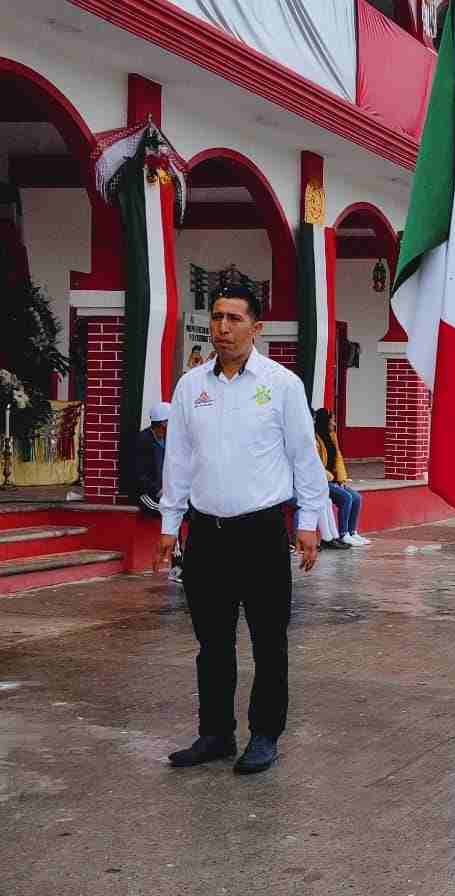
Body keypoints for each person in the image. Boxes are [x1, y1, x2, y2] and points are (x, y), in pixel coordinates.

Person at [155, 285, 328, 775]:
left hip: (261, 534)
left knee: (268, 640)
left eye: (234, 319)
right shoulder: (191, 386)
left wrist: (310, 523)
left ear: (256, 328)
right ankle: (215, 733)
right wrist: (171, 524)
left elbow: (304, 457)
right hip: (206, 535)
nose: (222, 328)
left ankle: (265, 734)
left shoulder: (281, 384)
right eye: (216, 318)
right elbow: (179, 461)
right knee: (212, 642)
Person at [135, 402, 183, 582]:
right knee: (170, 511)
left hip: (166, 490)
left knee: (183, 509)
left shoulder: (171, 440)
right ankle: (177, 567)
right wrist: (158, 490)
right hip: (146, 495)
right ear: (163, 424)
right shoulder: (143, 441)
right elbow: (139, 476)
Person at [314, 408, 370, 548]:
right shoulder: (315, 439)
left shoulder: (332, 436)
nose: (334, 423)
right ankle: (343, 534)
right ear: (324, 421)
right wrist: (328, 477)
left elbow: (338, 459)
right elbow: (316, 463)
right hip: (320, 481)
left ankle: (352, 532)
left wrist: (341, 480)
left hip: (333, 480)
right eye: (331, 420)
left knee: (357, 497)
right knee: (346, 498)